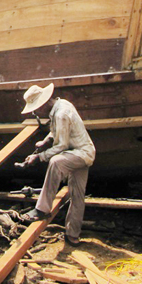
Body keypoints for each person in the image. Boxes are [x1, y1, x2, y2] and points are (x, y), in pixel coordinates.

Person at [19, 83, 95, 244]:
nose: (36, 112)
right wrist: (45, 141)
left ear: (44, 103)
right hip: (83, 152)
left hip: (80, 153)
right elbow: (57, 131)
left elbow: (62, 146)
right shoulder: (62, 104)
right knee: (77, 195)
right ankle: (72, 236)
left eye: (37, 109)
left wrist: (39, 157)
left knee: (55, 162)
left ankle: (42, 209)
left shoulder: (61, 114)